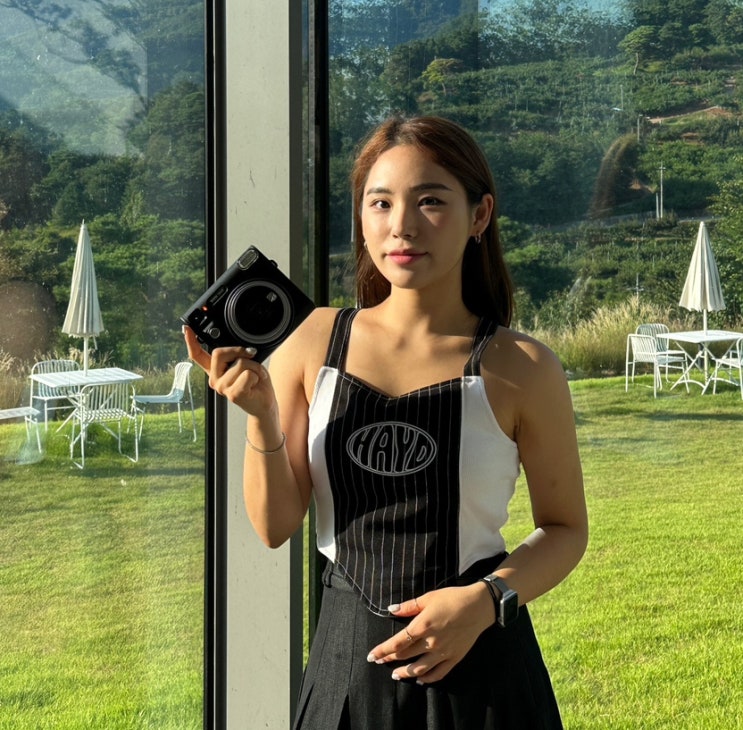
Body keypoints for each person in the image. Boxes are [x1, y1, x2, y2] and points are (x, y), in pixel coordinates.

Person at [184, 115, 588, 729]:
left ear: (479, 215)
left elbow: (565, 529)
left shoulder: (524, 366)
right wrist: (261, 416)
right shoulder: (310, 340)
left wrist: (485, 601)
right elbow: (274, 526)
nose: (401, 225)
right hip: (346, 663)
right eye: (380, 203)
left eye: (431, 201)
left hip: (482, 668)